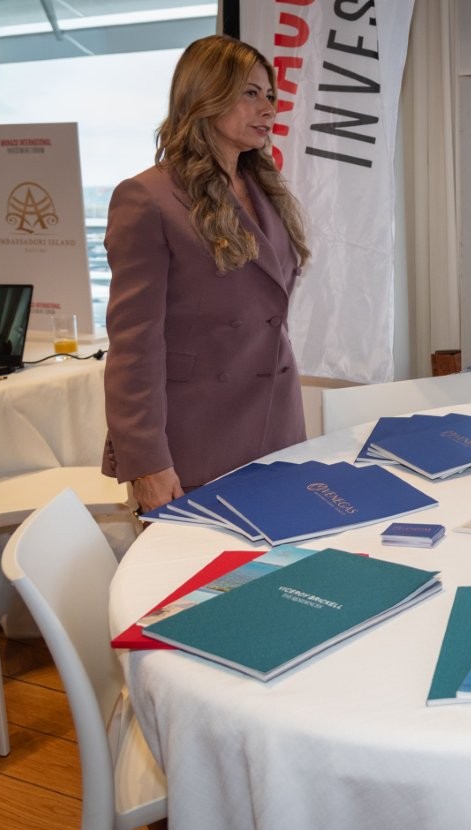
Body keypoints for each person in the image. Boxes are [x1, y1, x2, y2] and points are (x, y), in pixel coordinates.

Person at [103, 35, 312, 513]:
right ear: (205, 95)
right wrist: (147, 463)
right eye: (250, 93)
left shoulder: (265, 189)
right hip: (196, 442)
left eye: (270, 95)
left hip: (277, 428)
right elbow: (135, 348)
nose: (268, 109)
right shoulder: (147, 198)